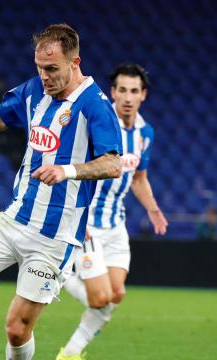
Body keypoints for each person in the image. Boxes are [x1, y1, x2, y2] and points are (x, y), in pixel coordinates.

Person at [0, 23, 123, 360]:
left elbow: (113, 164)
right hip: (14, 220)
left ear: (75, 63)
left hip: (55, 238)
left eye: (51, 69)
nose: (44, 76)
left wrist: (67, 170)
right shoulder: (34, 91)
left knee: (17, 329)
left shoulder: (95, 105)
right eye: (39, 68)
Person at [57, 63, 169, 360]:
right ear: (113, 92)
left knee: (115, 295)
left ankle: (70, 353)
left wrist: (153, 209)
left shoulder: (146, 133)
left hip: (116, 226)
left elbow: (139, 178)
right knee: (99, 298)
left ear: (143, 95)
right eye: (122, 90)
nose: (128, 97)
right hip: (89, 223)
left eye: (134, 91)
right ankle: (60, 272)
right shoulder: (101, 126)